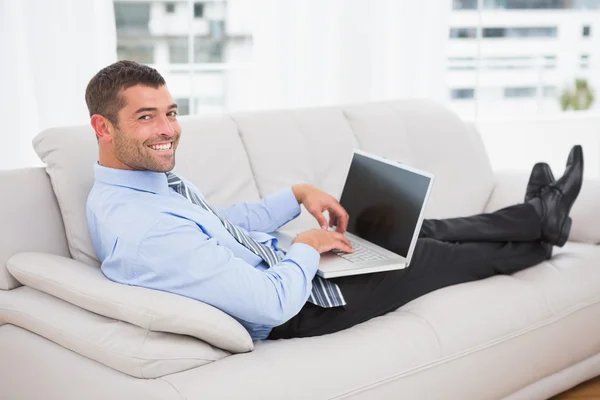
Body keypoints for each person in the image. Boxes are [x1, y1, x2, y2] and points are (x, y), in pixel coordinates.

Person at [85, 61, 584, 341]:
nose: (169, 130)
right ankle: (543, 233)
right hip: (305, 304)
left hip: (286, 265)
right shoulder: (143, 228)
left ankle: (539, 216)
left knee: (411, 231)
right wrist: (306, 245)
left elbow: (215, 224)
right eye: (147, 117)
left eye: (170, 112)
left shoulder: (143, 184)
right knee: (428, 255)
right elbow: (270, 304)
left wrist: (296, 196)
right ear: (102, 128)